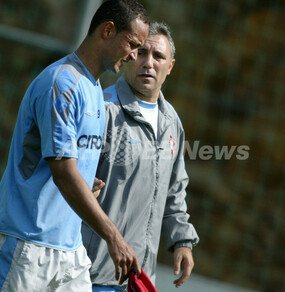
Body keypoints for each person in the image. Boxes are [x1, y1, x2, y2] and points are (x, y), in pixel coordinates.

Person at [0, 1, 149, 291]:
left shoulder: (94, 90)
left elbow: (69, 170)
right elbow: (63, 172)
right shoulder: (62, 84)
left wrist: (87, 183)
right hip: (25, 245)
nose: (135, 56)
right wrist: (114, 237)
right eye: (133, 44)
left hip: (69, 250)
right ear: (108, 30)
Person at [82, 22, 199, 291]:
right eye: (142, 53)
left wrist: (182, 240)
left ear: (170, 67)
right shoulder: (102, 109)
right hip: (91, 275)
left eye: (158, 56)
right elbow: (69, 178)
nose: (149, 63)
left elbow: (174, 190)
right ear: (129, 56)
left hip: (138, 281)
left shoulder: (172, 122)